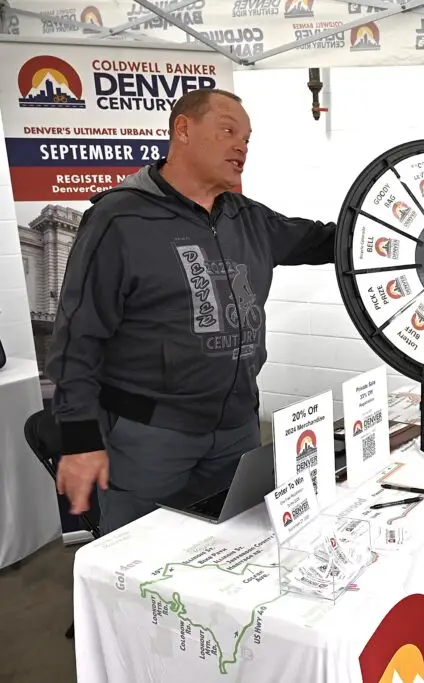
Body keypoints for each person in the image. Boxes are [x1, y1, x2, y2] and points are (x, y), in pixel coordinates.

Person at [47, 88, 338, 535]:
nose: (241, 145)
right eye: (227, 130)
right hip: (148, 439)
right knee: (139, 562)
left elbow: (326, 241)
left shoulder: (249, 218)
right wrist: (81, 439)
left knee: (231, 551)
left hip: (237, 429)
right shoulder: (119, 219)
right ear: (183, 129)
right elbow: (77, 338)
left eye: (247, 138)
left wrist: (412, 236)